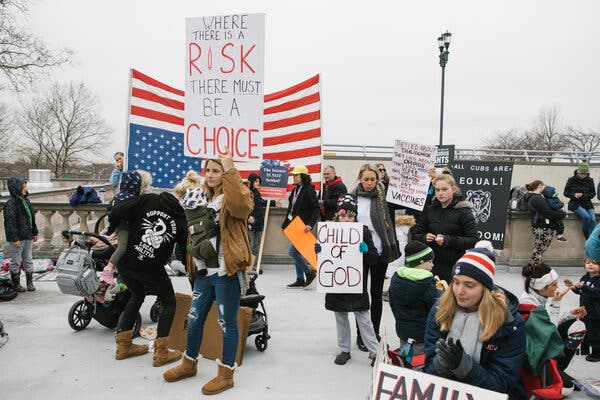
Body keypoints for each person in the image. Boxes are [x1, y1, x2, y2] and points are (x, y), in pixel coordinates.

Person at [164, 149, 254, 395]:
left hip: (227, 273)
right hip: (204, 273)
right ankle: (189, 363)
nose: (211, 175)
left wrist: (230, 167)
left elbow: (241, 206)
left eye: (217, 170)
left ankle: (226, 375)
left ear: (226, 174)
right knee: (194, 319)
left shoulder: (236, 196)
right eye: (208, 171)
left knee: (227, 323)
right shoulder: (201, 197)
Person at [424, 246, 527, 400]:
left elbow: (502, 384)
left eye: (469, 285)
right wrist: (442, 363)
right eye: (456, 282)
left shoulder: (510, 324)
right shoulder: (440, 309)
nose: (459, 291)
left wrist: (464, 367)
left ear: (485, 289)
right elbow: (429, 368)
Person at [108, 173, 187, 368]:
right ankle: (161, 353)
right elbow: (183, 249)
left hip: (125, 262)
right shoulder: (181, 218)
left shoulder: (149, 199)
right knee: (169, 302)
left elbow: (116, 210)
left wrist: (114, 227)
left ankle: (123, 346)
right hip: (151, 266)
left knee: (137, 293)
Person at [316, 194, 380, 365]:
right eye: (343, 215)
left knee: (364, 319)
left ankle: (375, 352)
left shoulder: (363, 232)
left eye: (351, 216)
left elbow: (374, 259)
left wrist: (366, 251)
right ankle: (344, 349)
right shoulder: (328, 232)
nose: (347, 219)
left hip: (356, 285)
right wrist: (319, 251)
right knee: (340, 317)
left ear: (355, 217)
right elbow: (321, 263)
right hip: (338, 285)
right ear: (338, 215)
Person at [351, 164, 400, 350]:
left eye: (373, 179)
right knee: (360, 295)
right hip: (359, 252)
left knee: (376, 294)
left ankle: (374, 332)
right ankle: (361, 334)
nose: (370, 183)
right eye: (366, 179)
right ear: (360, 179)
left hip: (380, 251)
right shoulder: (352, 197)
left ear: (377, 180)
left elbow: (410, 203)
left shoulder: (385, 197)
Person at [520, 262, 587, 387]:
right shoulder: (528, 304)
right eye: (553, 285)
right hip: (535, 356)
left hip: (541, 345)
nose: (557, 287)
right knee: (568, 388)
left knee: (577, 326)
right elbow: (549, 334)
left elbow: (547, 323)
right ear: (542, 287)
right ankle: (553, 370)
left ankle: (557, 368)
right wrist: (556, 303)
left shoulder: (537, 297)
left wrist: (570, 315)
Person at [411, 173, 478, 283]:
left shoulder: (464, 211)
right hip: (430, 265)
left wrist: (448, 240)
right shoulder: (429, 210)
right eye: (437, 190)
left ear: (453, 189)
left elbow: (473, 240)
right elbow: (415, 235)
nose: (440, 193)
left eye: (444, 189)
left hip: (454, 265)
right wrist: (424, 237)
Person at [388, 240, 440, 354]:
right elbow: (435, 309)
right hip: (422, 335)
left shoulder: (396, 278)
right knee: (419, 364)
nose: (433, 265)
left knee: (405, 357)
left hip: (402, 331)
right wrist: (441, 292)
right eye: (430, 261)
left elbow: (392, 303)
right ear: (419, 262)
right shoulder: (426, 283)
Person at [103, 170, 151, 273]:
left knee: (122, 247)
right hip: (125, 225)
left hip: (119, 224)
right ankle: (109, 266)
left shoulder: (120, 195)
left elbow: (111, 209)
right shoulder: (133, 199)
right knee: (122, 247)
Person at [281, 165, 320, 288]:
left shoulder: (309, 189)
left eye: (296, 175)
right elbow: (290, 210)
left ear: (302, 176)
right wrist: (285, 225)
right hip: (294, 226)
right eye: (293, 175)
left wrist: (310, 224)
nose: (294, 177)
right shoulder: (296, 189)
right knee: (297, 252)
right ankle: (299, 279)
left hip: (303, 227)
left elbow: (315, 209)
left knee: (293, 252)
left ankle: (309, 273)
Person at [3, 177, 38, 292]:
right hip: (17, 238)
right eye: (23, 187)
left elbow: (31, 217)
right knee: (16, 261)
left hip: (28, 236)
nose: (25, 189)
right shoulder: (10, 204)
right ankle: (16, 284)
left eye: (25, 186)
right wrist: (14, 239)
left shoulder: (26, 200)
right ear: (16, 189)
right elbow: (10, 223)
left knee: (28, 259)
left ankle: (30, 283)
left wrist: (35, 232)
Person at [525, 180, 565, 264]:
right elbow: (547, 213)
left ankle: (534, 269)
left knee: (539, 249)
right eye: (544, 186)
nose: (546, 187)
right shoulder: (536, 198)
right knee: (539, 250)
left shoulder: (536, 197)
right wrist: (561, 214)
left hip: (542, 226)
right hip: (542, 226)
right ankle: (534, 270)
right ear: (540, 186)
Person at [570, 256, 600, 362]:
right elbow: (581, 292)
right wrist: (575, 289)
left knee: (595, 333)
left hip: (596, 313)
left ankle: (597, 353)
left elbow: (596, 293)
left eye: (594, 263)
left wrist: (583, 287)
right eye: (588, 263)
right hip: (584, 311)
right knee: (585, 331)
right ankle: (584, 349)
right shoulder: (584, 277)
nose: (590, 265)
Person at [247, 173, 276, 268]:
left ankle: (254, 266)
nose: (258, 183)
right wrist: (248, 217)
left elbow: (262, 202)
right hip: (250, 224)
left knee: (256, 245)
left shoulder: (257, 193)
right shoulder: (247, 193)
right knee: (250, 245)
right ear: (251, 182)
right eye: (256, 181)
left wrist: (274, 203)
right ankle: (248, 266)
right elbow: (242, 207)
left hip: (258, 223)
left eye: (259, 181)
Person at [564, 161, 596, 239]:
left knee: (593, 220)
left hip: (587, 203)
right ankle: (587, 236)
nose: (583, 175)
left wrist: (583, 195)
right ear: (578, 172)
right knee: (586, 217)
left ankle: (591, 238)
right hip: (575, 203)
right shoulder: (571, 180)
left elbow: (593, 194)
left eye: (585, 174)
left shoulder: (590, 180)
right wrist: (574, 195)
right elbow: (565, 193)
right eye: (581, 173)